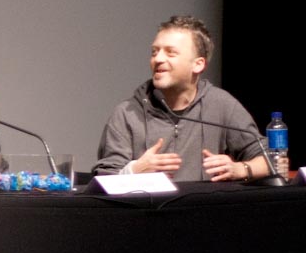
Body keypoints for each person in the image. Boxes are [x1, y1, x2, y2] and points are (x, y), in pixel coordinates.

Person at [92, 15, 271, 181]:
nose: (158, 59)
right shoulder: (127, 113)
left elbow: (274, 160)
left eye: (170, 52)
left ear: (198, 65)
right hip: (147, 206)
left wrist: (240, 169)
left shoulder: (221, 105)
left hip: (202, 205)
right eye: (154, 52)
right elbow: (103, 179)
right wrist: (135, 170)